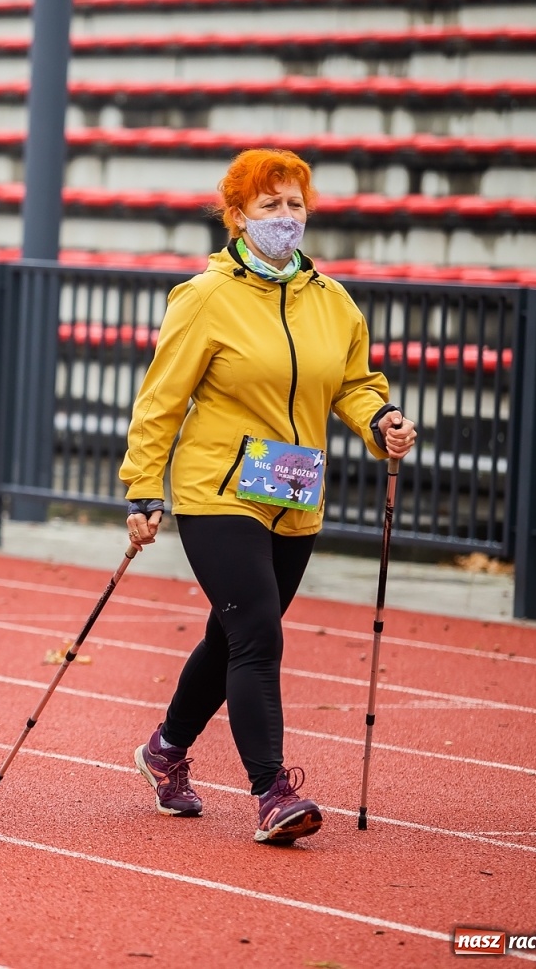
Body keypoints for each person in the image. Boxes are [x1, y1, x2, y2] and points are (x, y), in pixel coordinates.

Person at [119, 148, 417, 845]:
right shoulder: (204, 298)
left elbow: (353, 383)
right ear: (237, 217)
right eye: (269, 206)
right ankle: (272, 792)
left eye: (294, 204)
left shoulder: (331, 300)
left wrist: (381, 422)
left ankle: (164, 751)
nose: (286, 218)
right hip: (217, 492)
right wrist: (143, 489)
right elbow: (161, 402)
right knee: (259, 633)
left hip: (295, 496)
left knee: (231, 637)